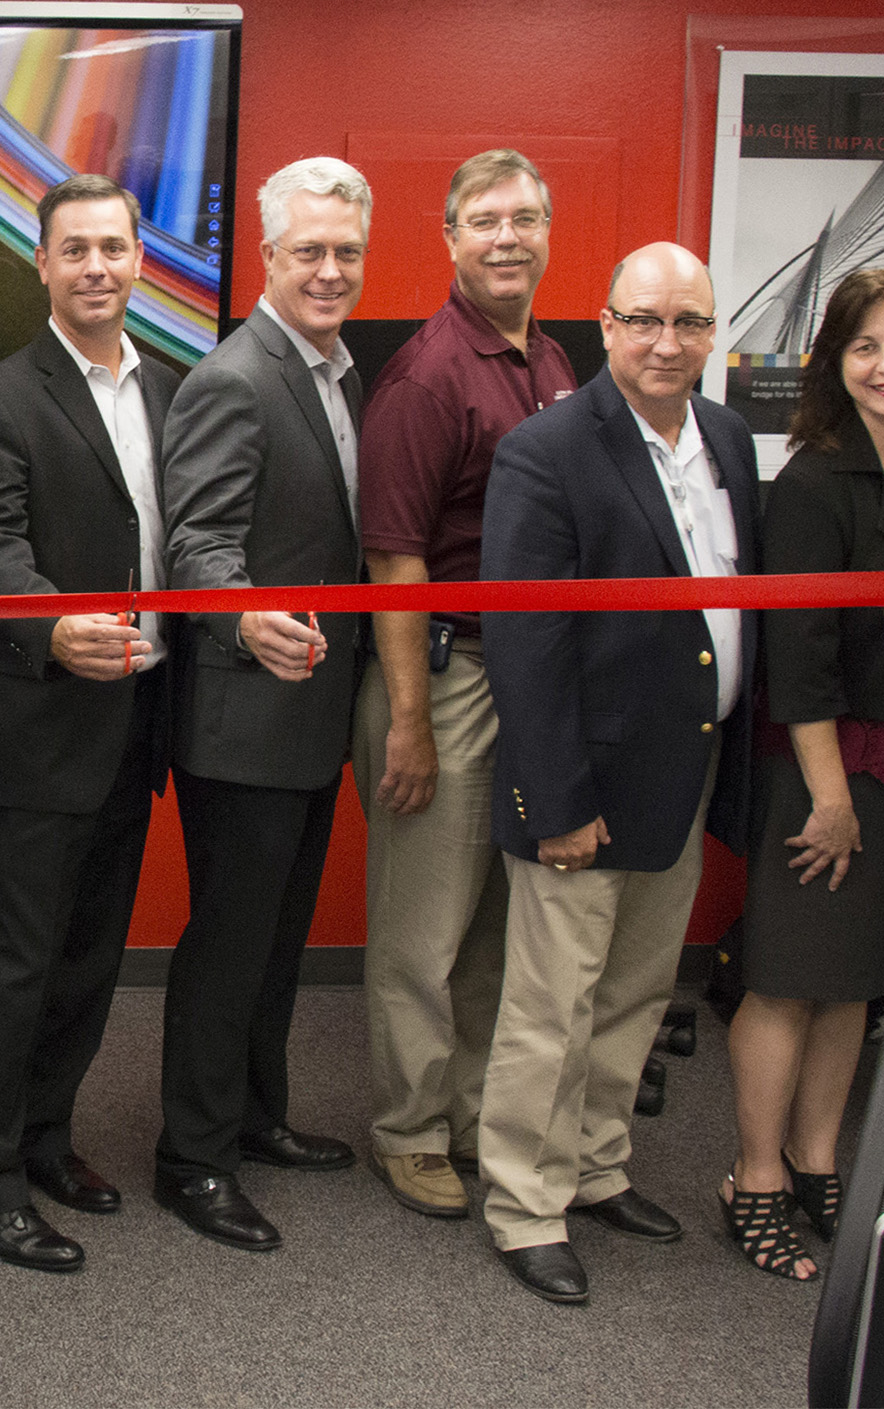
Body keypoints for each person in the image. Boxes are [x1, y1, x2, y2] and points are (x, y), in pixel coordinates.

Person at [477, 241, 758, 1304]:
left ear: (712, 331)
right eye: (644, 319)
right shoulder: (548, 450)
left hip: (682, 774)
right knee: (551, 1005)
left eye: (688, 321)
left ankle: (595, 1167)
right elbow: (527, 643)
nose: (666, 342)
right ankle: (522, 1202)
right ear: (604, 325)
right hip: (583, 786)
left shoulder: (725, 435)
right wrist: (557, 800)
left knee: (636, 993)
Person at [0, 174, 182, 1273]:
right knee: (16, 967)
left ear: (140, 260)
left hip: (138, 721)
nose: (95, 267)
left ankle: (45, 1137)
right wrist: (52, 624)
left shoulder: (173, 392)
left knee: (89, 963)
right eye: (73, 249)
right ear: (41, 264)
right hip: (38, 726)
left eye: (113, 247)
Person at [728, 266, 884, 1282]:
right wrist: (829, 798)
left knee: (857, 986)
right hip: (825, 767)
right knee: (790, 980)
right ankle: (752, 1175)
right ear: (835, 359)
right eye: (866, 345)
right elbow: (799, 660)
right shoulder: (814, 480)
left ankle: (816, 1155)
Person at [152, 155, 371, 1254]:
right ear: (268, 258)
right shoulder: (235, 377)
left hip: (311, 716)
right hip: (245, 716)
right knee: (231, 944)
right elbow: (195, 542)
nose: (329, 270)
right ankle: (192, 1161)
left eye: (346, 252)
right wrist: (242, 614)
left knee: (277, 941)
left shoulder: (339, 373)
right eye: (309, 252)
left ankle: (252, 1115)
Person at [353, 148, 576, 1221]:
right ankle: (408, 1129)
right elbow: (394, 559)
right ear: (449, 239)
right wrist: (409, 721)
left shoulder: (557, 360)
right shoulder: (427, 374)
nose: (506, 238)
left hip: (532, 678)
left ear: (546, 233)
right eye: (484, 220)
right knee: (423, 930)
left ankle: (477, 1111)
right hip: (444, 676)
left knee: (497, 920)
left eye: (524, 219)